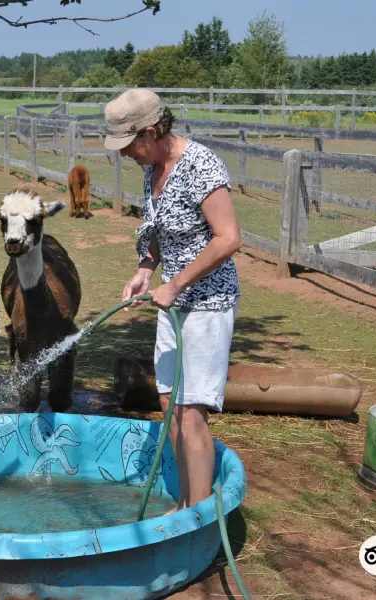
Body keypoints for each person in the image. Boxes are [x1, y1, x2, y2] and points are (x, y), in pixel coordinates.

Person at [105, 88, 242, 513]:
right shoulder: (154, 166)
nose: (126, 155)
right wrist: (146, 270)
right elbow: (163, 232)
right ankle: (185, 500)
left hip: (206, 303)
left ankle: (196, 514)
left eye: (129, 145)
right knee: (169, 404)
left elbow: (229, 238)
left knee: (190, 413)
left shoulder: (201, 166)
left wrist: (176, 284)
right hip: (172, 301)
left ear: (151, 130)